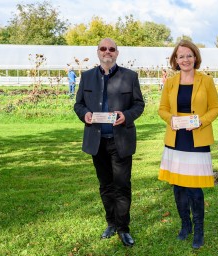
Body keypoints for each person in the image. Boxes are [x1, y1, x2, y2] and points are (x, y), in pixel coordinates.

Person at [74, 38, 145, 247]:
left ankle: (123, 228)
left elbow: (139, 104)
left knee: (122, 185)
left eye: (111, 49)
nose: (107, 52)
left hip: (120, 140)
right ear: (98, 52)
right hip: (97, 141)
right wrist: (85, 114)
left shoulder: (130, 76)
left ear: (117, 53)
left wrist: (126, 115)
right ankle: (111, 223)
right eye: (103, 49)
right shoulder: (87, 77)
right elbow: (78, 104)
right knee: (105, 185)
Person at [158, 40, 218, 249]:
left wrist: (200, 122)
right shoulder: (170, 82)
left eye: (189, 55)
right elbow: (163, 109)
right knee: (178, 187)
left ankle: (199, 230)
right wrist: (171, 120)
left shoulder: (207, 81)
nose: (185, 59)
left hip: (197, 137)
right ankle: (185, 226)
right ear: (175, 60)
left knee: (194, 189)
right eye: (181, 56)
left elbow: (215, 108)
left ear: (195, 57)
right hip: (176, 139)